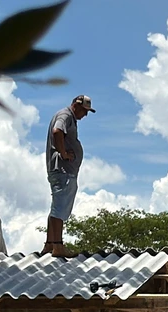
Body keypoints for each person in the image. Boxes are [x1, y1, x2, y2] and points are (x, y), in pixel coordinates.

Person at [43, 94, 94, 257]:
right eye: (84, 111)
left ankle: (50, 244)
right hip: (63, 171)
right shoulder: (65, 115)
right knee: (59, 208)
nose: (85, 115)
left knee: (57, 207)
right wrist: (63, 153)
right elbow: (57, 131)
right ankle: (58, 246)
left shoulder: (68, 117)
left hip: (63, 171)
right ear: (76, 105)